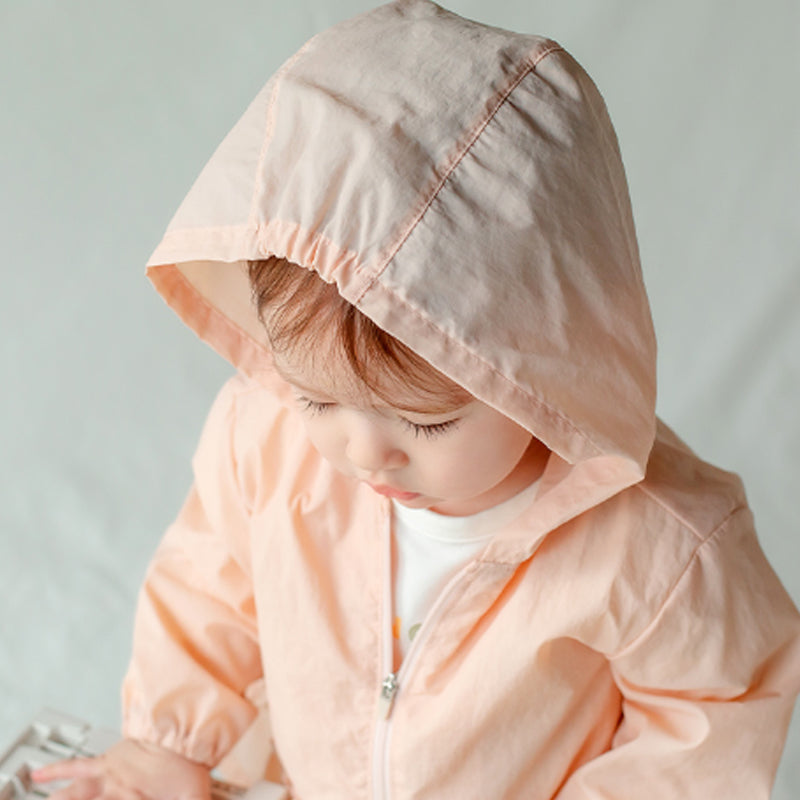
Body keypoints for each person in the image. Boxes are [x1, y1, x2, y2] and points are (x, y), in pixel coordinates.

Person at [32, 1, 800, 797]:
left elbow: (708, 719)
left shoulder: (660, 548)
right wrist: (166, 745)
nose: (366, 453)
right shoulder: (265, 442)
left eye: (427, 420)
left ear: (544, 367)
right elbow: (206, 585)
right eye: (319, 399)